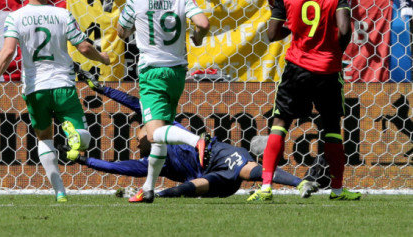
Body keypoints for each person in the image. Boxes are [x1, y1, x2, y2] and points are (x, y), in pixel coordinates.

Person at [0, 0, 110, 203]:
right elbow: (84, 48)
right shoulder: (63, 15)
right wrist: (103, 58)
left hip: (35, 88)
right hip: (63, 84)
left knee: (44, 139)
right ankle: (71, 133)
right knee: (84, 140)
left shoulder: (15, 17)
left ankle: (60, 192)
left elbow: (7, 52)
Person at [71, 69, 320, 199]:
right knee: (190, 187)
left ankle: (301, 183)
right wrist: (85, 161)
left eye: (139, 133)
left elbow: (134, 103)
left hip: (218, 154)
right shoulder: (152, 165)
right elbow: (117, 167)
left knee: (244, 168)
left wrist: (101, 88)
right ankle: (155, 196)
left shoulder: (165, 127)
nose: (136, 141)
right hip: (211, 176)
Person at [249, 0, 361, 202]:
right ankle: (337, 190)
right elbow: (345, 30)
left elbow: (272, 34)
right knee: (332, 128)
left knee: (280, 123)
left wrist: (291, 24)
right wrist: (334, 51)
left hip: (296, 68)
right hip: (328, 70)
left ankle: (266, 187)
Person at [116, 0, 210, 203]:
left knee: (153, 134)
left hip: (152, 71)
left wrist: (127, 31)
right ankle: (147, 189)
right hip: (177, 72)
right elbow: (203, 22)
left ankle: (197, 141)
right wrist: (198, 38)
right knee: (163, 133)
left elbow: (121, 30)